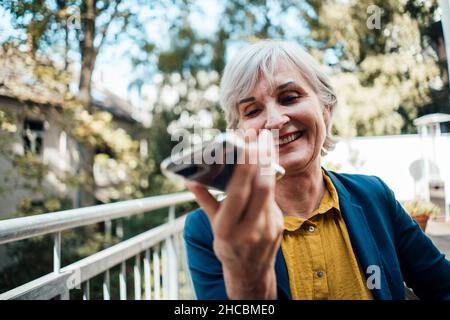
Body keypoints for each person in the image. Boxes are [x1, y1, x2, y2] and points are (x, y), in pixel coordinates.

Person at [183, 39, 450, 300]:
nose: (275, 121)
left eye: (289, 97)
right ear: (239, 133)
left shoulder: (374, 195)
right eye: (252, 111)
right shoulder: (207, 229)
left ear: (326, 108)